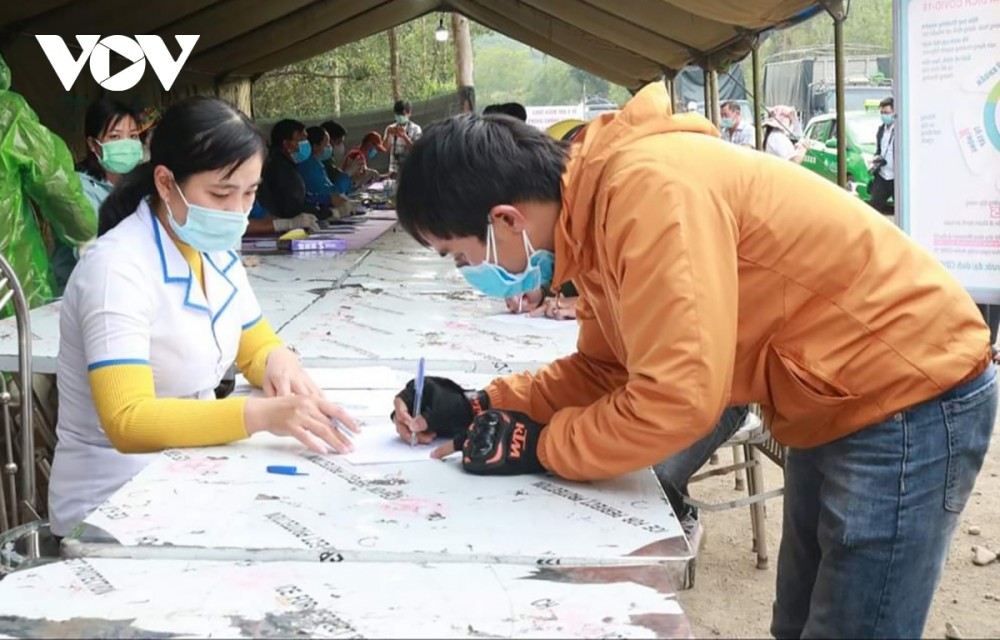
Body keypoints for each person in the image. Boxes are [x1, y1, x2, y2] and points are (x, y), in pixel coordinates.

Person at [387, 83, 995, 638]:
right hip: (833, 391)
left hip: (907, 391)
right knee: (800, 621)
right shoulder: (591, 222)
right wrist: (482, 404)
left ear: (504, 220)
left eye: (457, 256)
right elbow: (606, 370)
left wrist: (540, 444)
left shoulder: (649, 194)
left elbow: (674, 400)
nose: (467, 274)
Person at [48, 96, 359, 538]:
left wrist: (280, 362)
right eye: (220, 193)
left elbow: (256, 343)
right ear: (165, 182)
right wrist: (258, 415)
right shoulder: (115, 268)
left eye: (249, 193)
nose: (237, 211)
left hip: (187, 475)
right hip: (111, 504)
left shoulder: (212, 251)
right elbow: (128, 421)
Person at [0, 53, 94, 314]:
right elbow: (55, 182)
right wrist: (85, 234)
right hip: (11, 277)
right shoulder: (7, 113)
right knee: (17, 348)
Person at [51, 99, 144, 291]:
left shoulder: (140, 186)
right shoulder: (76, 190)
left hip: (130, 285)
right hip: (81, 291)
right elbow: (93, 251)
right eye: (115, 137)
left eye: (133, 136)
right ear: (93, 144)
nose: (126, 144)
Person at [257, 118, 323, 220]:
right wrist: (325, 213)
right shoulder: (279, 168)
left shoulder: (287, 165)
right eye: (301, 140)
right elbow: (291, 208)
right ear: (287, 144)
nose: (306, 144)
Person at [298, 125, 352, 209]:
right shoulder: (310, 168)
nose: (329, 147)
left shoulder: (316, 163)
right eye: (326, 144)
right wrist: (348, 173)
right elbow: (332, 194)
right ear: (315, 146)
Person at [868, 96, 895, 215]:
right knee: (873, 208)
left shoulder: (900, 130)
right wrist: (875, 159)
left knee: (902, 210)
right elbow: (879, 149)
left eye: (887, 113)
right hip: (883, 175)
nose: (884, 115)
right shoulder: (881, 130)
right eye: (882, 113)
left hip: (896, 177)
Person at [384, 99, 422, 179]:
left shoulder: (416, 129)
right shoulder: (390, 128)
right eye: (397, 114)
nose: (400, 117)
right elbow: (385, 148)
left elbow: (416, 151)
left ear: (409, 113)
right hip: (393, 172)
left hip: (410, 172)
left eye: (402, 114)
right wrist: (388, 135)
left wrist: (404, 137)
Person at [320, 120, 349, 185]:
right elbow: (337, 180)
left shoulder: (329, 159)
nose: (341, 146)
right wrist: (350, 172)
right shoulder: (323, 162)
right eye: (339, 142)